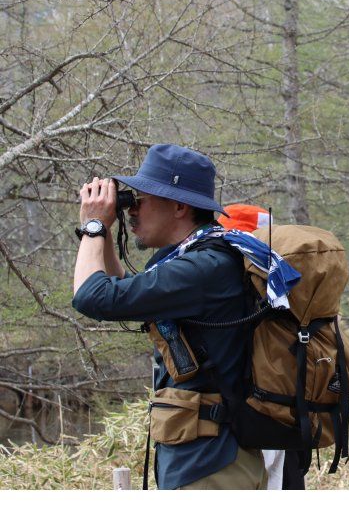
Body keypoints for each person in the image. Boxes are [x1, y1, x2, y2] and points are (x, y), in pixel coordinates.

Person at [71, 144, 268, 490]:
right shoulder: (191, 259)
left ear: (179, 206)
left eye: (141, 200)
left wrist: (92, 226)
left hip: (211, 465)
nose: (131, 210)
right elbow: (124, 294)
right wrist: (99, 233)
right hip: (206, 457)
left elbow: (91, 297)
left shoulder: (202, 268)